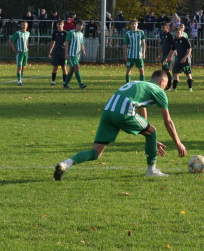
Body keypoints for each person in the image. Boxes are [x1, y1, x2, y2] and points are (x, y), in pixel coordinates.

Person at [53, 69, 187, 180]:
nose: (165, 88)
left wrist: (149, 138)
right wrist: (178, 143)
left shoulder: (141, 84)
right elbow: (168, 121)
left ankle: (65, 164)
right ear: (163, 81)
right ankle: (151, 170)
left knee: (95, 153)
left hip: (107, 111)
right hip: (122, 111)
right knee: (153, 131)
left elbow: (142, 111)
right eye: (166, 85)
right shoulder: (158, 91)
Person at [163, 22, 194, 91]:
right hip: (178, 59)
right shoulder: (175, 40)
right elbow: (172, 50)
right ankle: (174, 88)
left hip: (186, 60)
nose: (177, 34)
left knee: (188, 73)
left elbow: (189, 49)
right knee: (175, 73)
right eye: (176, 32)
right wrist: (166, 58)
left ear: (181, 32)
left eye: (178, 32)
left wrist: (185, 57)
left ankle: (190, 88)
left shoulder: (185, 40)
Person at [62, 18, 88, 89]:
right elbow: (67, 43)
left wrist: (84, 51)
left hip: (77, 55)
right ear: (76, 25)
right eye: (79, 25)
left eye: (82, 25)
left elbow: (82, 44)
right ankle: (80, 84)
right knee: (77, 67)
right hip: (72, 54)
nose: (80, 27)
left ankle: (65, 84)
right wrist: (66, 53)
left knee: (72, 70)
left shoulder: (81, 34)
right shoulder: (71, 33)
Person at [124, 18, 147, 84]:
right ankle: (127, 84)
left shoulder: (141, 32)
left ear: (137, 24)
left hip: (139, 55)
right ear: (131, 25)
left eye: (135, 24)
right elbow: (125, 45)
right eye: (132, 24)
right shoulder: (128, 33)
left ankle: (142, 84)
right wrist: (125, 55)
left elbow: (144, 44)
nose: (134, 25)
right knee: (128, 69)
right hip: (130, 55)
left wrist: (144, 53)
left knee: (142, 70)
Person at [9, 20, 31, 85]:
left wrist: (27, 47)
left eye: (24, 25)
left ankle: (21, 79)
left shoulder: (28, 33)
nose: (23, 26)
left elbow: (26, 41)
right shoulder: (18, 33)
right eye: (22, 25)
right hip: (20, 52)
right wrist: (14, 49)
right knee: (19, 67)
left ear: (27, 26)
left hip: (25, 52)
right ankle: (19, 81)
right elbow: (10, 40)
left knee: (23, 67)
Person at [47, 20, 68, 86]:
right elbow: (53, 43)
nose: (59, 25)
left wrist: (67, 52)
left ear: (63, 25)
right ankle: (53, 82)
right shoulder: (55, 33)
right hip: (56, 52)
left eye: (61, 24)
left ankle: (65, 82)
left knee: (64, 67)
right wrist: (50, 51)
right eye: (58, 24)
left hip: (63, 52)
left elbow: (67, 43)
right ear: (56, 25)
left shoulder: (65, 33)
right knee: (55, 67)